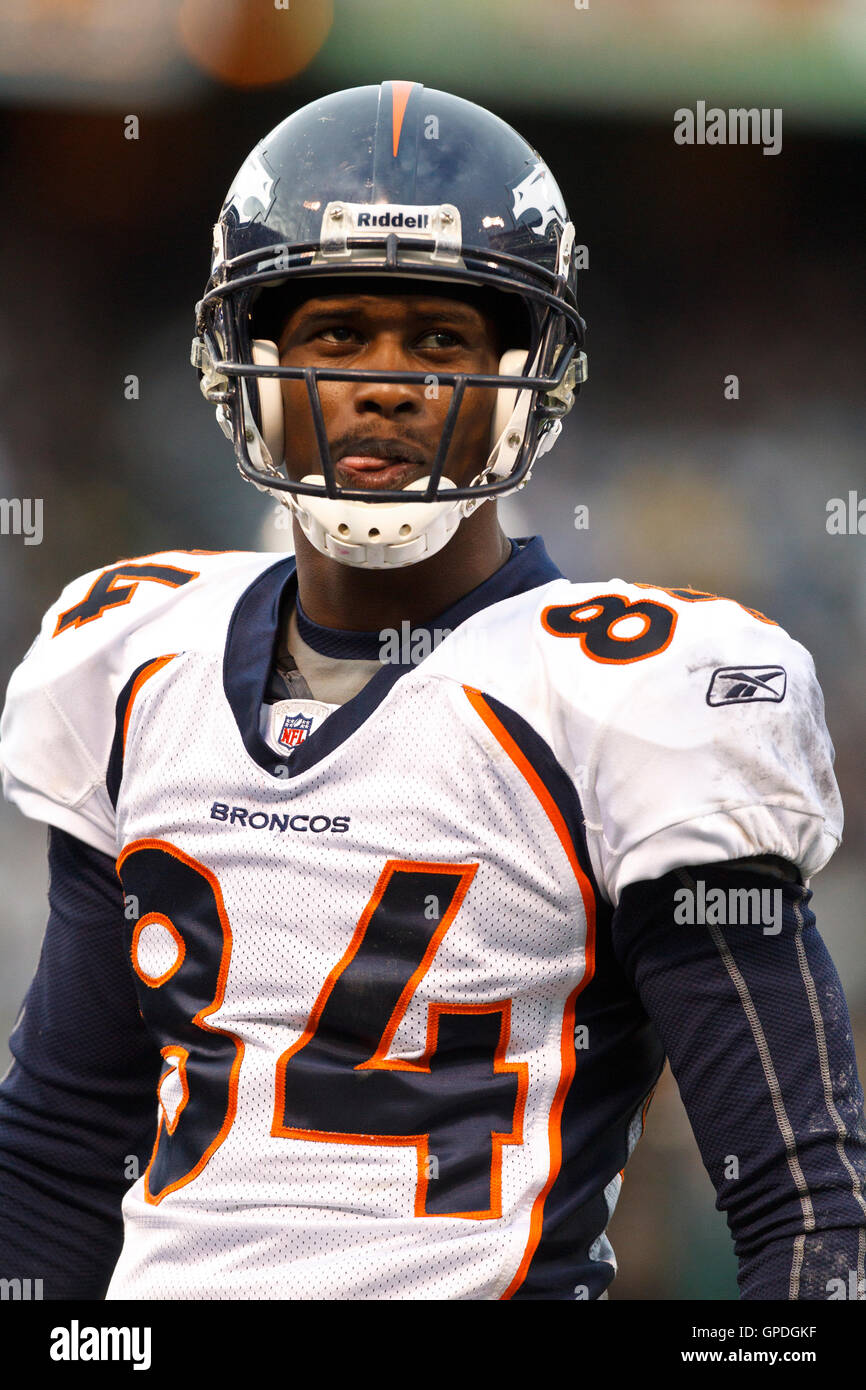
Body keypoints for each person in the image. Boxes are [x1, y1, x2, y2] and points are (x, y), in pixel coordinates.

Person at [0, 81, 863, 1302]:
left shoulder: (626, 694)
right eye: (338, 333)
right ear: (249, 360)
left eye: (440, 339)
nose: (386, 383)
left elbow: (800, 1199)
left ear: (528, 371)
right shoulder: (134, 660)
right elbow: (57, 1146)